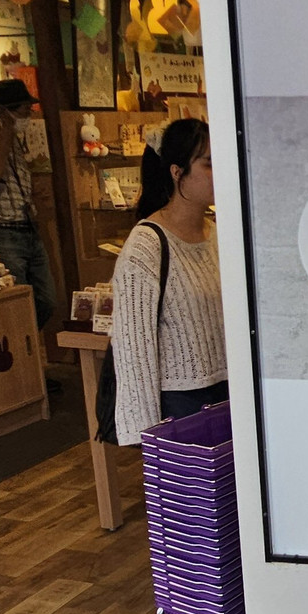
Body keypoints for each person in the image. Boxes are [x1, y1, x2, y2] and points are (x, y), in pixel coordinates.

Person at [110, 118, 227, 446]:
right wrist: (146, 435)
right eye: (208, 163)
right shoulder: (145, 245)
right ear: (177, 172)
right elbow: (133, 348)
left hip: (229, 391)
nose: (219, 172)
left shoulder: (217, 235)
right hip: (180, 404)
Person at [0, 79, 59, 336]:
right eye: (23, 109)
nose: (28, 115)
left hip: (29, 227)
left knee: (46, 300)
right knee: (16, 305)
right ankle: (23, 352)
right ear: (4, 111)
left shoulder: (18, 139)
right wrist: (4, 140)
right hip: (2, 232)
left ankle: (26, 344)